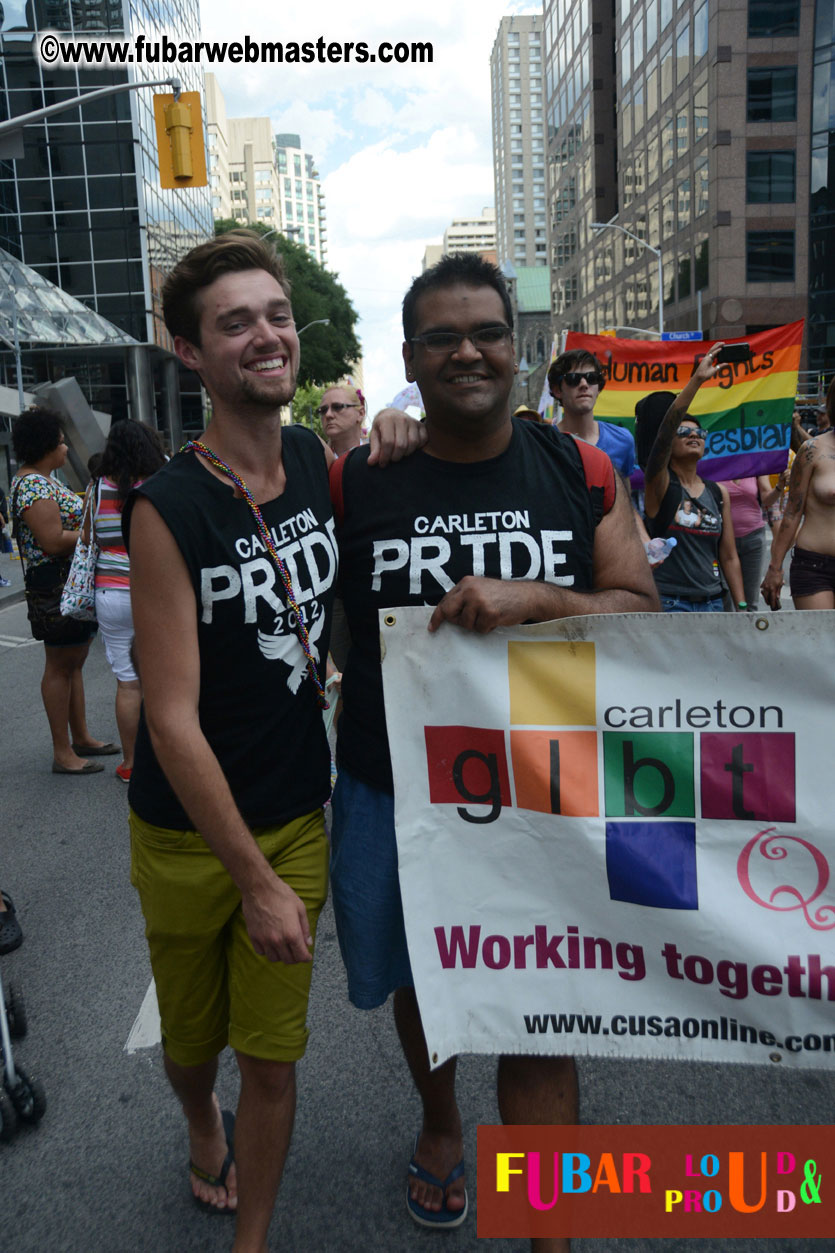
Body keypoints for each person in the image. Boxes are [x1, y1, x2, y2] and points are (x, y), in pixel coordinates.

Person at [329, 253, 659, 1249]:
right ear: (409, 358)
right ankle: (440, 1122)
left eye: (485, 333)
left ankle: (549, 1228)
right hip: (394, 783)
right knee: (420, 980)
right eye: (442, 337)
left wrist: (540, 599)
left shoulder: (579, 469)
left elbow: (642, 611)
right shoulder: (358, 479)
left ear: (517, 347)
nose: (466, 352)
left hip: (543, 786)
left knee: (538, 996)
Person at [122, 229, 422, 1251]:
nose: (266, 335)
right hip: (186, 834)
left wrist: (397, 430)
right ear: (189, 351)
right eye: (234, 322)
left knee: (273, 1053)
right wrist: (250, 881)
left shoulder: (306, 458)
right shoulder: (167, 508)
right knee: (192, 1044)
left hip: (296, 811)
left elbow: (381, 513)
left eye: (277, 315)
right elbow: (170, 716)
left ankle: (251, 1239)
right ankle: (198, 1120)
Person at [10, 406, 117, 774]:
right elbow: (52, 540)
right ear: (45, 447)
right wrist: (93, 535)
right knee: (60, 666)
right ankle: (63, 752)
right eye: (60, 442)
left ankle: (81, 738)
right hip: (54, 584)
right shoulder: (33, 485)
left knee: (73, 665)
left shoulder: (44, 480)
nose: (66, 447)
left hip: (66, 582)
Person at [91, 420, 166, 782]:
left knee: (128, 682)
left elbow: (90, 537)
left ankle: (131, 763)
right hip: (155, 588)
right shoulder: (160, 482)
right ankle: (170, 760)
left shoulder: (98, 487)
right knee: (167, 677)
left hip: (109, 591)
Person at [643, 348, 746, 612]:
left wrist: (742, 606)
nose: (694, 435)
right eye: (683, 431)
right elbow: (663, 434)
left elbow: (729, 556)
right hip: (670, 604)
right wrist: (697, 381)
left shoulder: (718, 493)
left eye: (699, 432)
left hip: (713, 603)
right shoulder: (660, 484)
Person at [762, 374, 835, 610]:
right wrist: (775, 567)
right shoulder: (812, 450)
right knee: (819, 634)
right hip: (815, 567)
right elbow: (792, 513)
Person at [548, 349, 636, 478]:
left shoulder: (622, 440)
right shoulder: (545, 444)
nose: (584, 384)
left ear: (598, 387)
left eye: (591, 378)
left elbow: (624, 489)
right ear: (557, 390)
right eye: (573, 379)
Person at [716, 475, 783, 611]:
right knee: (726, 597)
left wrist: (779, 486)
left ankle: (748, 625)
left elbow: (767, 499)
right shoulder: (716, 465)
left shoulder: (754, 465)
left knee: (750, 601)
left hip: (753, 538)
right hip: (723, 541)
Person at [318, 384, 365, 456]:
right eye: (323, 410)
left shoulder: (377, 456)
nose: (328, 414)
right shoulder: (312, 459)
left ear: (360, 413)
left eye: (337, 407)